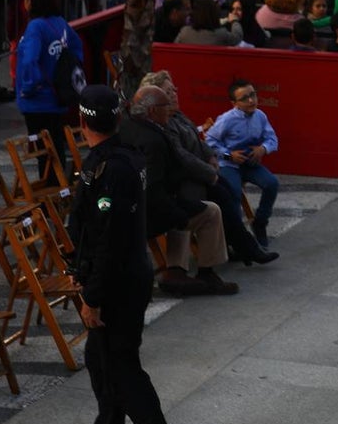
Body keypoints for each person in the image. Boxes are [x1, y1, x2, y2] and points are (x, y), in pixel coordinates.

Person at [66, 85, 184, 424]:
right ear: (117, 119)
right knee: (100, 361)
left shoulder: (111, 167)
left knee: (123, 369)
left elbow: (108, 239)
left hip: (117, 284)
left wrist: (92, 297)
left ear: (82, 123)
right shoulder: (119, 157)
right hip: (121, 275)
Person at [138, 71, 277, 266]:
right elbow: (182, 157)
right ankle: (244, 248)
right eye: (169, 92)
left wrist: (211, 156)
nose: (175, 94)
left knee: (232, 190)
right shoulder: (163, 124)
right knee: (224, 194)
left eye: (175, 90)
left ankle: (243, 244)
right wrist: (211, 169)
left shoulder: (177, 114)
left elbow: (198, 138)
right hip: (183, 180)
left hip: (205, 170)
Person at [120, 86, 239, 296]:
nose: (170, 109)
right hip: (146, 213)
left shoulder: (129, 127)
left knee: (193, 202)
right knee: (210, 212)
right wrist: (177, 213)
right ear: (152, 111)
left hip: (133, 207)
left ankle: (176, 272)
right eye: (166, 106)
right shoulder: (153, 140)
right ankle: (206, 273)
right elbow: (153, 187)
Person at [205, 79, 280, 247]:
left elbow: (272, 139)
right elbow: (209, 143)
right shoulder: (226, 120)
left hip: (249, 162)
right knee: (234, 192)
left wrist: (263, 149)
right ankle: (237, 237)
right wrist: (229, 154)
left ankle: (260, 222)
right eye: (245, 98)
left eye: (253, 95)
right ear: (234, 103)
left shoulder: (260, 116)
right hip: (229, 164)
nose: (251, 101)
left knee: (272, 184)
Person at [15, 0, 81, 167]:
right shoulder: (60, 23)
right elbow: (77, 48)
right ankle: (61, 190)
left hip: (38, 101)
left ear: (32, 1)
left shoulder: (35, 27)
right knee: (57, 147)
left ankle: (53, 190)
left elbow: (29, 60)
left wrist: (28, 88)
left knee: (44, 154)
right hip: (58, 97)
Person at [174, 0, 243, 46]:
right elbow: (237, 37)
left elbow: (175, 47)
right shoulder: (222, 34)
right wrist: (234, 21)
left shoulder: (185, 32)